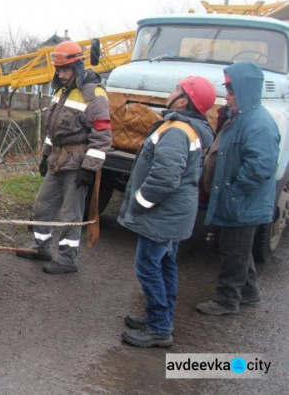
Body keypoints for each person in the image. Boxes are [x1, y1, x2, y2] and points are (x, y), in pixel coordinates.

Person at [118, 77, 216, 348]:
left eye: (175, 89)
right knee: (164, 265)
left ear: (184, 100)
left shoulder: (177, 131)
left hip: (163, 215)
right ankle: (160, 318)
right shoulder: (187, 128)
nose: (170, 92)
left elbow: (165, 178)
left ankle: (159, 328)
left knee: (149, 267)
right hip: (173, 214)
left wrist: (139, 202)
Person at [16, 40, 111, 274]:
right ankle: (41, 247)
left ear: (78, 66)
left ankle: (68, 259)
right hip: (56, 159)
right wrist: (45, 155)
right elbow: (53, 131)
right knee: (42, 207)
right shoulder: (60, 92)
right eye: (59, 69)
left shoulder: (94, 95)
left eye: (66, 69)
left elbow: (102, 135)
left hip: (77, 163)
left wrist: (89, 168)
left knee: (71, 214)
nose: (62, 74)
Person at [196, 62, 279, 315]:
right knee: (239, 248)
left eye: (231, 89)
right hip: (237, 199)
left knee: (232, 251)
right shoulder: (239, 117)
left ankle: (226, 301)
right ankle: (249, 292)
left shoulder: (258, 123)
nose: (227, 94)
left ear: (245, 89)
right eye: (226, 88)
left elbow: (260, 167)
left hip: (242, 202)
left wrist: (233, 192)